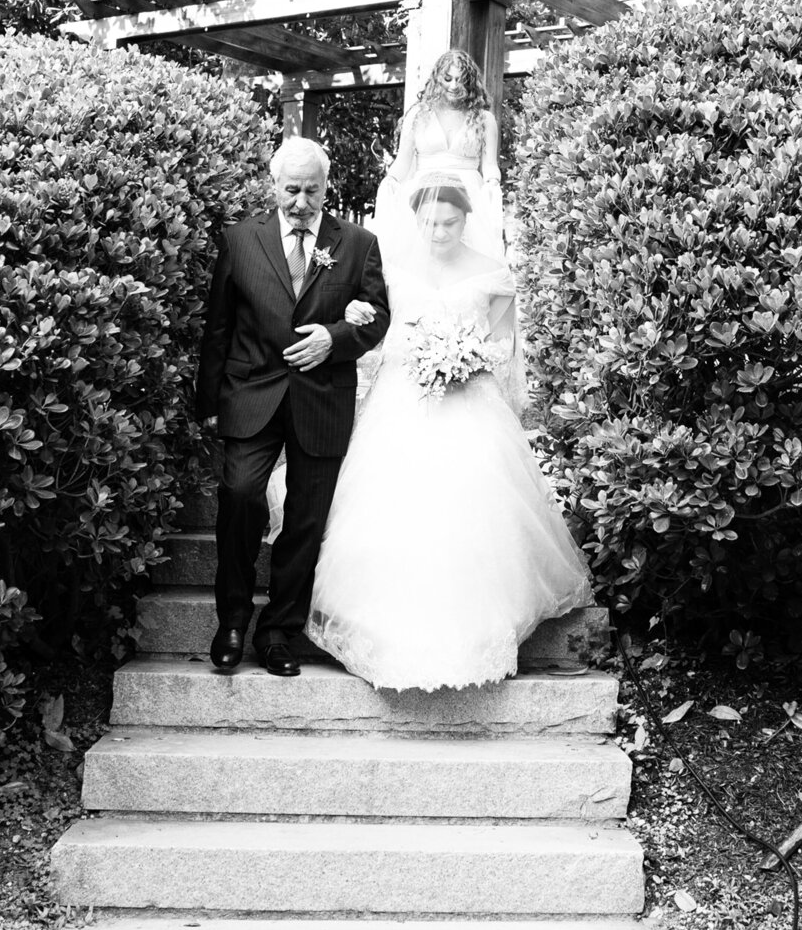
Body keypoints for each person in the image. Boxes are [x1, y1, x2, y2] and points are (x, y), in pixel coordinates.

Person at [306, 177, 592, 691]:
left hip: (469, 398)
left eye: (450, 222)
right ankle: (378, 622)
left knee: (475, 505)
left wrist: (467, 359)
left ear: (467, 221)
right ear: (415, 220)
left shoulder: (492, 273)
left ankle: (481, 625)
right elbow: (371, 320)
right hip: (402, 397)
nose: (438, 231)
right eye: (430, 222)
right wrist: (368, 322)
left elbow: (502, 347)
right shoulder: (389, 266)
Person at [196, 139, 390, 677]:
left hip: (321, 399)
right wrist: (208, 402)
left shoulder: (358, 243)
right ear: (274, 185)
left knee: (306, 519)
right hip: (250, 392)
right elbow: (219, 325)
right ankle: (231, 620)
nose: (302, 201)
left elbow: (376, 318)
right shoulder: (240, 240)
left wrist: (336, 337)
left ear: (327, 187)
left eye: (313, 189)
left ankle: (277, 631)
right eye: (291, 189)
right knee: (239, 495)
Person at [373, 50, 504, 262]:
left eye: (460, 80)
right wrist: (390, 181)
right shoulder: (418, 114)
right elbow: (403, 161)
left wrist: (492, 182)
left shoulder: (484, 119)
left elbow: (490, 164)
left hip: (467, 194)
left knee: (469, 259)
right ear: (438, 79)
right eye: (448, 78)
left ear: (470, 82)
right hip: (424, 191)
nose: (453, 86)